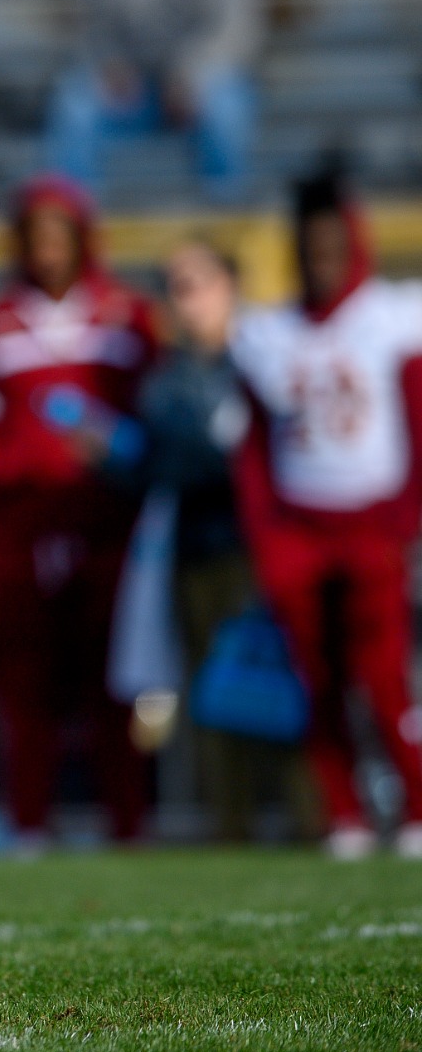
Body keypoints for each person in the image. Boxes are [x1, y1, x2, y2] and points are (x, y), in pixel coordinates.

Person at [0, 175, 158, 847]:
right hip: (22, 534)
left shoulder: (126, 317)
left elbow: (155, 421)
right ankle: (30, 824)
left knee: (114, 688)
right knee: (25, 690)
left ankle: (127, 825)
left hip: (111, 531)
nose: (47, 250)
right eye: (34, 236)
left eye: (58, 234)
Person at [230, 165, 422, 859]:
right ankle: (343, 812)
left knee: (385, 677)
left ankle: (414, 808)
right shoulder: (266, 333)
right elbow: (252, 449)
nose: (322, 263)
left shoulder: (392, 318)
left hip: (373, 523)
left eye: (333, 247)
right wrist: (266, 535)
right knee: (318, 679)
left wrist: (406, 521)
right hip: (300, 529)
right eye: (310, 249)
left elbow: (417, 420)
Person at [130, 240, 314, 841]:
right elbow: (168, 461)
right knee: (213, 694)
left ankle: (314, 820)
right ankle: (231, 826)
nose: (185, 301)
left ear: (229, 286)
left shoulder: (262, 357)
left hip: (266, 546)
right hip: (197, 549)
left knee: (282, 687)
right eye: (174, 288)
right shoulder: (168, 376)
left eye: (196, 284)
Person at [45, 0, 262, 199]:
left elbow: (235, 35)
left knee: (226, 107)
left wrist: (187, 76)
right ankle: (73, 200)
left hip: (199, 88)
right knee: (77, 102)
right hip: (141, 94)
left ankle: (224, 200)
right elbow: (97, 33)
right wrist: (114, 66)